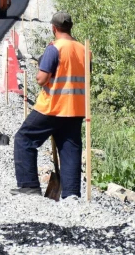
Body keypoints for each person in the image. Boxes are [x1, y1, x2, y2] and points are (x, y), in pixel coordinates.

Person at [11, 11, 89, 198]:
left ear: (54, 28)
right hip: (77, 108)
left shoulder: (55, 48)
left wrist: (40, 72)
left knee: (24, 139)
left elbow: (42, 79)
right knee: (70, 149)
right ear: (70, 27)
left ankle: (28, 185)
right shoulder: (84, 49)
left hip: (53, 107)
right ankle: (71, 195)